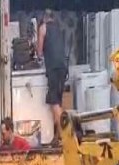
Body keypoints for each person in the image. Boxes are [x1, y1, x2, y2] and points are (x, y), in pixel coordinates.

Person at [37, 9, 67, 147]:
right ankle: (57, 136)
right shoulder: (59, 30)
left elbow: (39, 51)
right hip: (63, 68)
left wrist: (38, 51)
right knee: (57, 103)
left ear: (44, 18)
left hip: (53, 68)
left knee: (54, 103)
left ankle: (65, 135)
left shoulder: (43, 28)